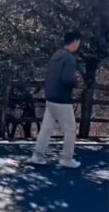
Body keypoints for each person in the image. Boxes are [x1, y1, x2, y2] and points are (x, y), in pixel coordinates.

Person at [29, 31, 81, 168]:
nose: (79, 45)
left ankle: (37, 155)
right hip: (62, 100)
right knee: (70, 130)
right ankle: (66, 158)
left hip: (51, 97)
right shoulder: (69, 59)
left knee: (46, 128)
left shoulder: (56, 55)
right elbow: (67, 79)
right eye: (79, 42)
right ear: (75, 41)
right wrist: (76, 84)